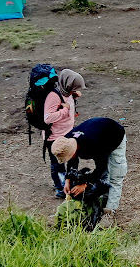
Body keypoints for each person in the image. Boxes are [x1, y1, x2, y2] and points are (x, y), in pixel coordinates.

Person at [52, 117, 127, 228]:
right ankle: (105, 200)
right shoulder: (67, 141)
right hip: (99, 134)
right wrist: (68, 181)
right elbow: (72, 161)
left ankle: (109, 213)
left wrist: (85, 184)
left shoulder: (93, 143)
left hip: (114, 136)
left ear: (74, 150)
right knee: (105, 176)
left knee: (115, 176)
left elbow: (101, 167)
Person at [43, 69, 85, 198]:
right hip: (54, 137)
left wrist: (74, 95)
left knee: (73, 158)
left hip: (68, 132)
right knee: (58, 164)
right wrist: (64, 111)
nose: (75, 90)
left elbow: (71, 98)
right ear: (67, 85)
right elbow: (47, 118)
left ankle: (70, 183)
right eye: (74, 88)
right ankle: (61, 189)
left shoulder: (68, 93)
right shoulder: (53, 96)